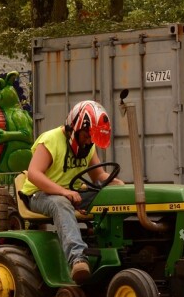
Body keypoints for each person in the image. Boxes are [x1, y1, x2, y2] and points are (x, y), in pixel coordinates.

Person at [19, 100, 123, 283]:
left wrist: (118, 185)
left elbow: (98, 174)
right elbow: (34, 174)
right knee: (61, 203)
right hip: (38, 194)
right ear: (73, 127)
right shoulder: (50, 140)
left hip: (71, 194)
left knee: (108, 196)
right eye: (86, 135)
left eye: (92, 136)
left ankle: (115, 249)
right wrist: (62, 192)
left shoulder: (88, 147)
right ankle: (78, 259)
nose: (89, 140)